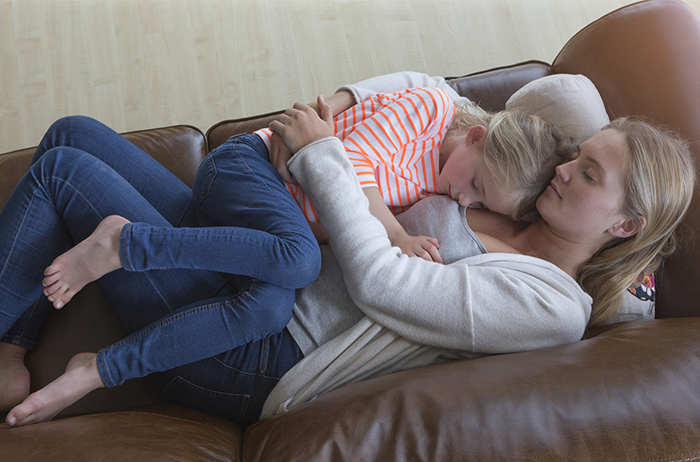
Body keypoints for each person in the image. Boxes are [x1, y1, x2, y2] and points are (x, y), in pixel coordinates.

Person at [2, 94, 695, 427]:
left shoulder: (551, 307)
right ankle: (16, 338)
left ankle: (10, 346)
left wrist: (319, 153)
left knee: (63, 169)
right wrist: (339, 107)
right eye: (579, 154)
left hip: (261, 345)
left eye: (591, 175)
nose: (569, 171)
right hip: (258, 257)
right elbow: (479, 107)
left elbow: (385, 284)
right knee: (73, 133)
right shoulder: (516, 192)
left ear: (626, 225)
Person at [257, 86, 574, 262]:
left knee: (293, 265)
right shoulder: (431, 110)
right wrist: (396, 236)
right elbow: (349, 161)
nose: (464, 199)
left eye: (481, 204)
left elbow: (345, 219)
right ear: (476, 136)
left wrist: (309, 233)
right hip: (261, 167)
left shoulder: (435, 191)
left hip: (283, 216)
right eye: (476, 184)